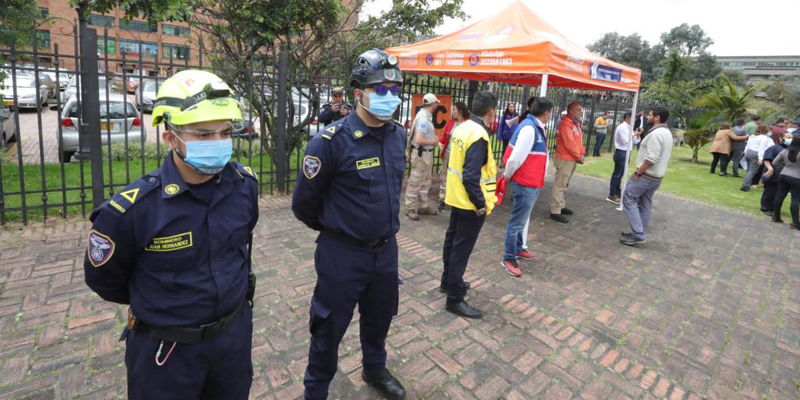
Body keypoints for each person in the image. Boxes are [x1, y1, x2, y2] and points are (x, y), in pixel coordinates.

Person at [83, 70, 259, 400]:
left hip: (232, 341)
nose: (219, 142)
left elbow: (242, 245)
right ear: (171, 138)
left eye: (225, 132)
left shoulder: (244, 186)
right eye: (204, 135)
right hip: (165, 353)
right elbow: (105, 280)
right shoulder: (132, 210)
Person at [292, 49, 407, 400]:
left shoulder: (398, 135)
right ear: (358, 93)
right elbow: (304, 205)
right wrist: (338, 229)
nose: (390, 97)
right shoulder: (330, 142)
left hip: (385, 252)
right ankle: (316, 389)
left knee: (380, 317)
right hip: (342, 254)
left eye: (394, 89)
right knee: (328, 327)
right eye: (381, 89)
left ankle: (375, 369)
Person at [441, 90, 498, 319]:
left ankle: (448, 281)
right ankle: (454, 298)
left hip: (456, 197)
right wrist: (481, 204)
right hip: (469, 202)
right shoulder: (479, 135)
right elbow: (471, 175)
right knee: (460, 251)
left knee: (452, 243)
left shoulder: (462, 127)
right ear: (491, 111)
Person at [500, 97, 551, 277]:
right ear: (546, 113)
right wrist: (507, 176)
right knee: (517, 221)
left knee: (522, 218)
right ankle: (509, 257)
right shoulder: (530, 129)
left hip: (532, 181)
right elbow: (515, 158)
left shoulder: (534, 126)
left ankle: (518, 247)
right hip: (525, 182)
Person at [620, 106, 673, 246]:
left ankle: (638, 234)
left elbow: (651, 159)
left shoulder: (656, 134)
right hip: (656, 177)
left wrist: (638, 172)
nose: (647, 117)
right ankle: (639, 231)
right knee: (645, 203)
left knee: (629, 199)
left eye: (649, 115)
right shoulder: (666, 132)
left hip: (646, 176)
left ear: (657, 118)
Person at [405, 93, 440, 220]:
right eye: (436, 103)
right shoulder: (424, 119)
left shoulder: (425, 116)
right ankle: (410, 208)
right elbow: (419, 139)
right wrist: (434, 142)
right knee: (416, 180)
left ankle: (423, 206)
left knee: (425, 181)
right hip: (421, 154)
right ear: (434, 104)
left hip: (425, 154)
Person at [550, 102, 585, 223]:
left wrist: (581, 153)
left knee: (565, 184)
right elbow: (569, 144)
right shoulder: (566, 125)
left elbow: (578, 141)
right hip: (565, 158)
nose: (581, 112)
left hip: (571, 158)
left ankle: (561, 205)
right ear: (570, 111)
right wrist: (579, 156)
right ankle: (555, 210)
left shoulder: (575, 124)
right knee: (560, 184)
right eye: (579, 110)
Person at [438, 102, 470, 211]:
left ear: (460, 112)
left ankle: (456, 200)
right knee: (444, 177)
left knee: (458, 178)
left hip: (460, 157)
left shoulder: (468, 124)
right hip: (448, 153)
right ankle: (442, 199)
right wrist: (440, 144)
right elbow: (444, 137)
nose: (452, 112)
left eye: (454, 110)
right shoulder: (451, 123)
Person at [761, 132, 794, 217]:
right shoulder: (774, 148)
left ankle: (773, 208)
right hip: (772, 174)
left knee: (778, 192)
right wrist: (770, 168)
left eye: (792, 137)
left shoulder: (789, 149)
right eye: (788, 137)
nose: (791, 139)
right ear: (780, 138)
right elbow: (767, 160)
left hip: (783, 175)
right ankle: (766, 208)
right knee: (770, 191)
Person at [771, 134, 800, 229]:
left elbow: (775, 162)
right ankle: (795, 223)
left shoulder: (785, 151)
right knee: (795, 200)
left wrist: (785, 165)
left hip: (783, 175)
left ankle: (776, 217)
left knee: (779, 195)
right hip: (797, 177)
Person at [608, 112, 636, 204]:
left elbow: (635, 141)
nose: (635, 120)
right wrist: (634, 134)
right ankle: (612, 194)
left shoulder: (630, 128)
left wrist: (637, 134)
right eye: (633, 117)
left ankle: (617, 191)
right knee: (617, 173)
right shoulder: (622, 127)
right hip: (621, 152)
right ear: (627, 118)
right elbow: (625, 141)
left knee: (621, 174)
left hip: (627, 152)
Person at [741, 125, 774, 192]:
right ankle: (745, 186)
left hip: (749, 152)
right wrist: (760, 158)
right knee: (752, 171)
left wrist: (745, 153)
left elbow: (747, 146)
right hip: (756, 153)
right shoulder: (764, 138)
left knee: (749, 170)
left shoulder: (752, 136)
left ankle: (745, 184)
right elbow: (761, 148)